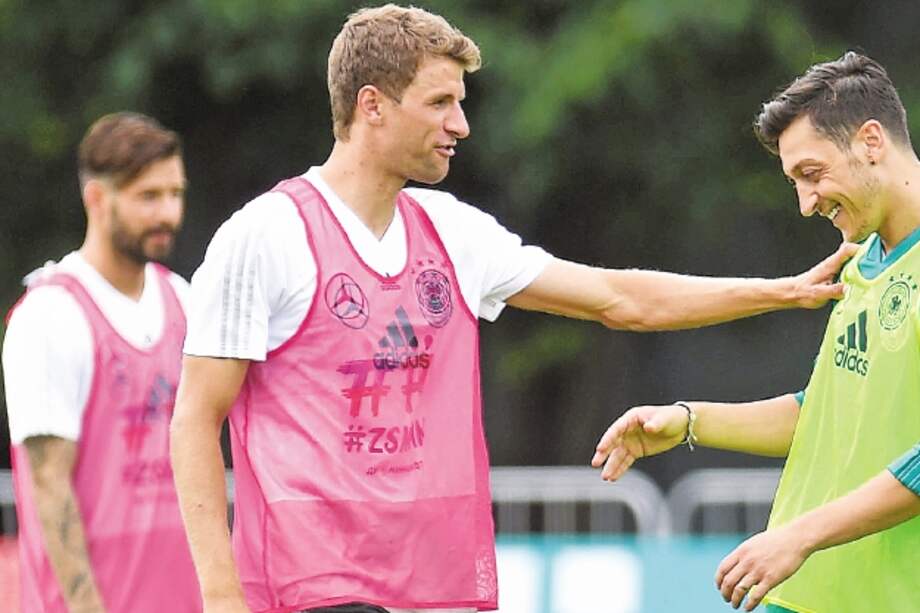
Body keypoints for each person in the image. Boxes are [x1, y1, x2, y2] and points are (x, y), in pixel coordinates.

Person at [169, 6, 855, 613]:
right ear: (372, 105)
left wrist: (780, 290)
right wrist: (221, 596)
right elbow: (197, 419)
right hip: (308, 588)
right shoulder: (264, 237)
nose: (459, 125)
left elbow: (622, 299)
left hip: (430, 588)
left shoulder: (453, 233)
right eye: (440, 102)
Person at [592, 51, 920, 613]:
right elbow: (823, 414)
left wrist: (801, 535)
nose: (805, 202)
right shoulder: (861, 262)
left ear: (871, 141)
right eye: (795, 181)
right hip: (795, 596)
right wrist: (690, 420)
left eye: (812, 174)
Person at [2, 112, 201, 611]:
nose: (168, 213)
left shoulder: (183, 300)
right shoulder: (50, 314)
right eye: (148, 197)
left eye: (175, 194)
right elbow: (50, 486)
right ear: (96, 198)